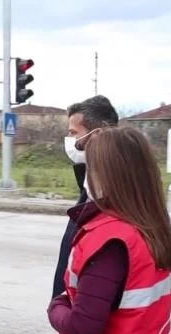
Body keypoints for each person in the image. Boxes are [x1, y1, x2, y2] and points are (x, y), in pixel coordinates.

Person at [39, 127, 171, 334]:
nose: (87, 176)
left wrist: (56, 305)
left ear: (109, 176)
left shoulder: (111, 241)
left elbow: (83, 327)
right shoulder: (150, 229)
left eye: (92, 167)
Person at [52, 96, 119, 300]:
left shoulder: (115, 192)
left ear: (97, 134)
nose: (70, 140)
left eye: (74, 133)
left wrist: (62, 307)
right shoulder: (90, 179)